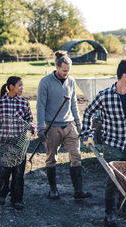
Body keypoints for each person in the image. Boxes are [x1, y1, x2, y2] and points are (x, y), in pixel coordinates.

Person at [81, 59, 126, 227]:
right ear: (124, 76)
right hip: (112, 145)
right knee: (112, 179)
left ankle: (124, 205)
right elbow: (88, 113)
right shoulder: (105, 96)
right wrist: (88, 134)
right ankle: (109, 213)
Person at [36, 51, 91, 200]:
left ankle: (78, 191)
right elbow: (40, 105)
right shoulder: (45, 82)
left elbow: (73, 102)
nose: (66, 73)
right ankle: (53, 190)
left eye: (68, 71)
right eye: (64, 70)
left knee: (76, 156)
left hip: (69, 125)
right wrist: (40, 127)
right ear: (57, 67)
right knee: (51, 158)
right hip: (52, 126)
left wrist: (78, 124)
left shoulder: (71, 81)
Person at [0, 76, 35, 210]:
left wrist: (31, 126)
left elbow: (29, 120)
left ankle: (17, 199)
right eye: (20, 85)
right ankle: (2, 194)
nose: (22, 88)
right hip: (4, 143)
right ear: (11, 87)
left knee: (19, 173)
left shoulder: (24, 103)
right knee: (4, 171)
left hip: (19, 143)